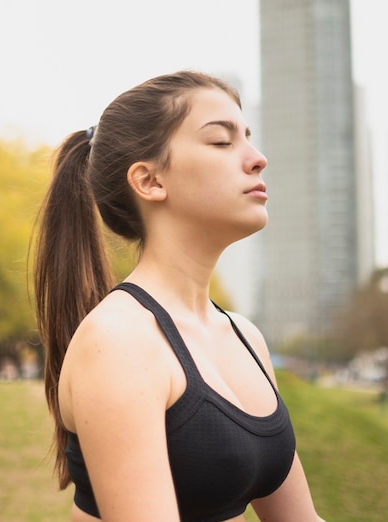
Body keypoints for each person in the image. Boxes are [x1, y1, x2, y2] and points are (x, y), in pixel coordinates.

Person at [33, 70, 326, 522]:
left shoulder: (244, 336)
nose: (257, 158)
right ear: (149, 181)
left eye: (248, 137)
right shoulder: (118, 343)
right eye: (221, 142)